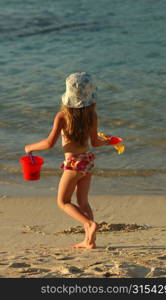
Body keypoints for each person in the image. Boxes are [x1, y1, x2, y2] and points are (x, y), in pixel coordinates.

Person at [25, 72, 109, 249]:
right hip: (87, 161)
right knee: (83, 202)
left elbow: (49, 143)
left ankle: (89, 225)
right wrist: (109, 140)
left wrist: (30, 147)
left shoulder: (62, 117)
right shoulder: (92, 116)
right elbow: (95, 142)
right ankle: (89, 241)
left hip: (73, 165)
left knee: (63, 202)